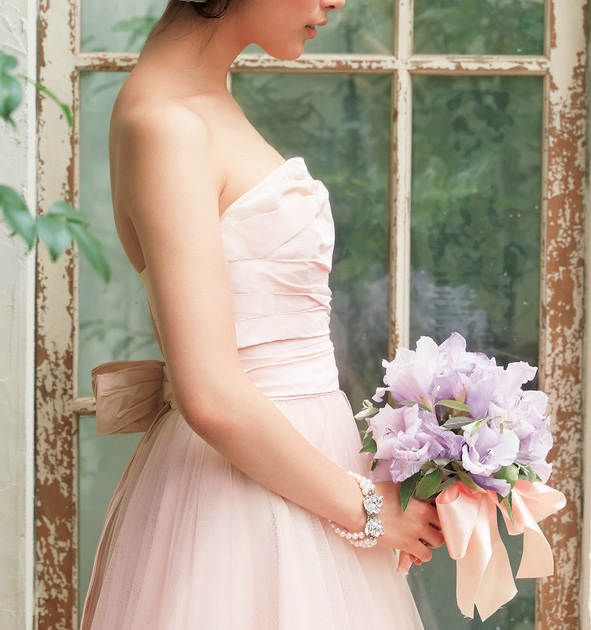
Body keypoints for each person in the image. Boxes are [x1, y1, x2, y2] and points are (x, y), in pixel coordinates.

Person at [80, 1, 444, 628]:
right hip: (241, 496)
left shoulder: (200, 99)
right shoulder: (167, 123)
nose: (336, 1)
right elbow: (212, 393)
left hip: (291, 470)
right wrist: (371, 510)